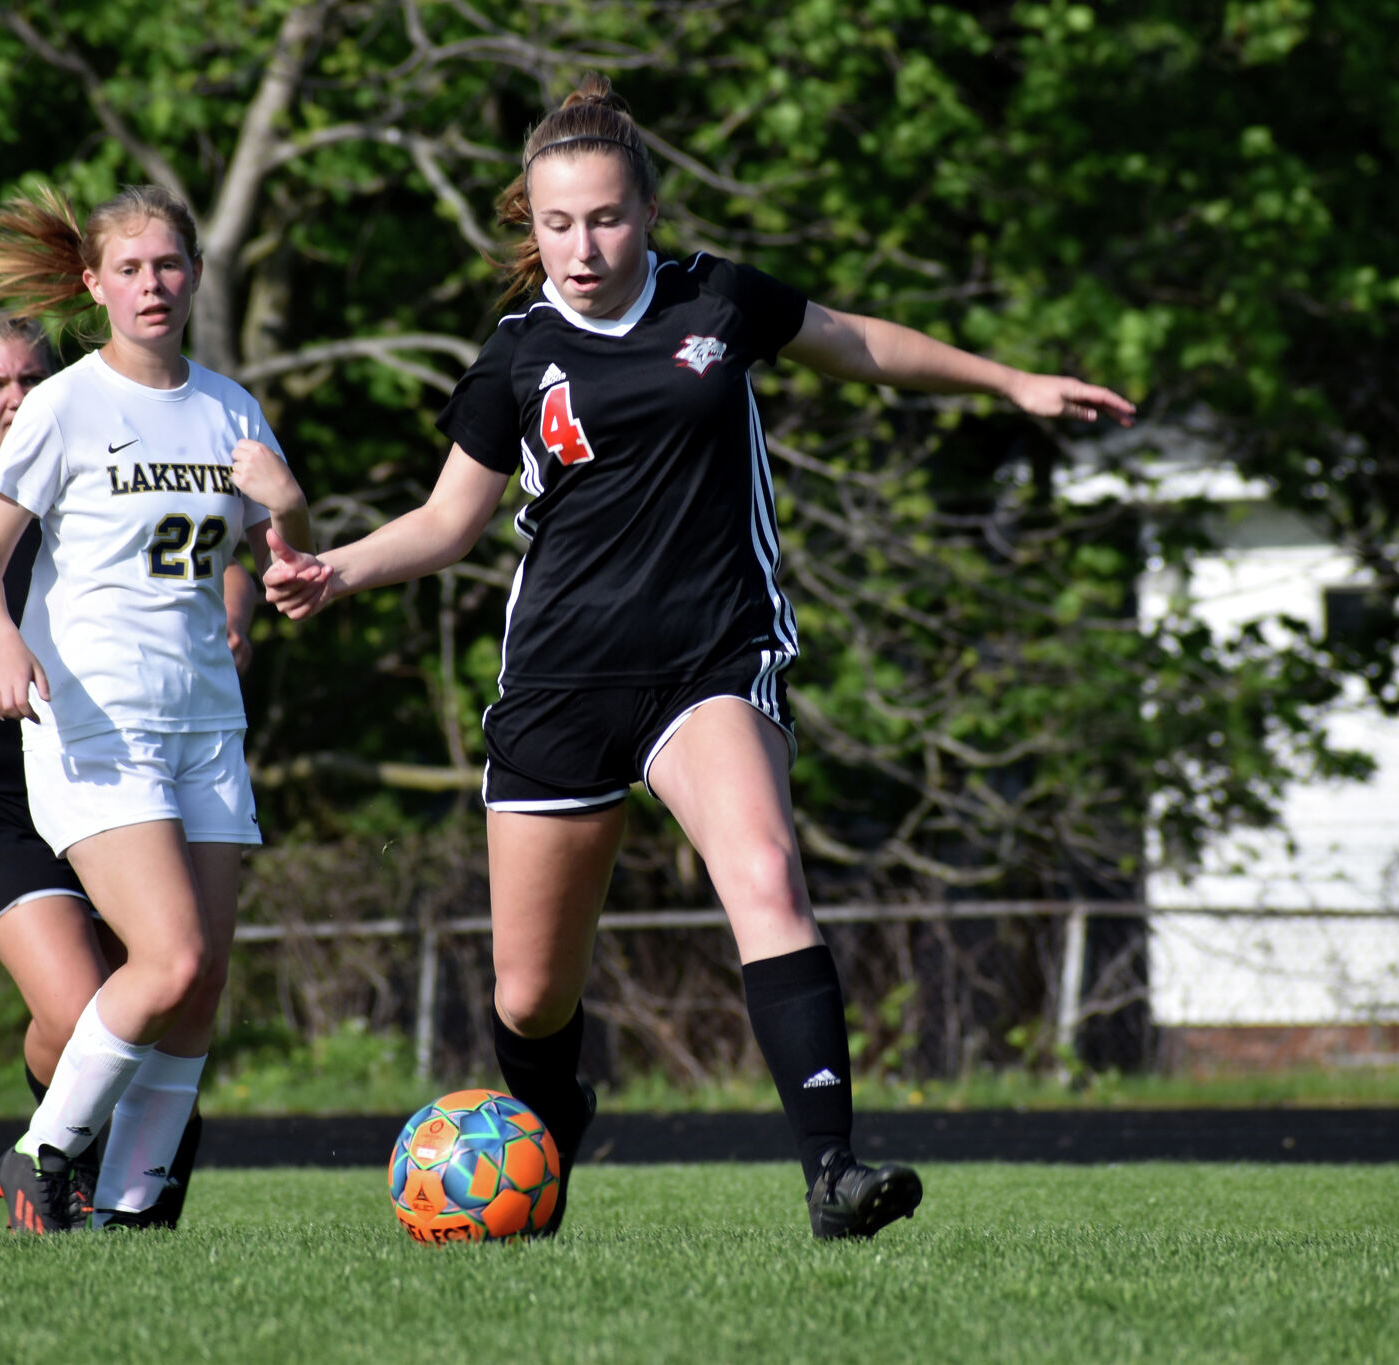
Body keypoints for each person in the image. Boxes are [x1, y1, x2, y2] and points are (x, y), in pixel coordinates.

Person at [265, 78, 1136, 1240]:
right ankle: (544, 1138)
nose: (582, 246)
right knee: (530, 994)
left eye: (607, 218)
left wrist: (1006, 381)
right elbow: (445, 522)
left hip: (708, 660)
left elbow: (856, 343)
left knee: (767, 877)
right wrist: (337, 569)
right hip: (559, 682)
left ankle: (831, 1175)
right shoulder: (513, 359)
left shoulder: (716, 300)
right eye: (557, 224)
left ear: (649, 211)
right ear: (528, 228)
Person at [0, 184, 311, 1233]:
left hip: (205, 719)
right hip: (99, 716)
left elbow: (276, 566)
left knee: (200, 995)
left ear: (194, 274)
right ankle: (41, 1155)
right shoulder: (66, 402)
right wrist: (5, 642)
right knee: (170, 960)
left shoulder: (229, 405)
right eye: (129, 269)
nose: (151, 286)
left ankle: (135, 1205)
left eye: (167, 266)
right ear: (92, 284)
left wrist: (285, 510)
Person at [0, 311, 257, 1229]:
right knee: (85, 1011)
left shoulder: (90, 473)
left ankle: (117, 1173)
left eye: (31, 377)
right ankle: (60, 1144)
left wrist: (237, 612)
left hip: (105, 756)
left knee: (166, 982)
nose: (16, 396)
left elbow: (209, 548)